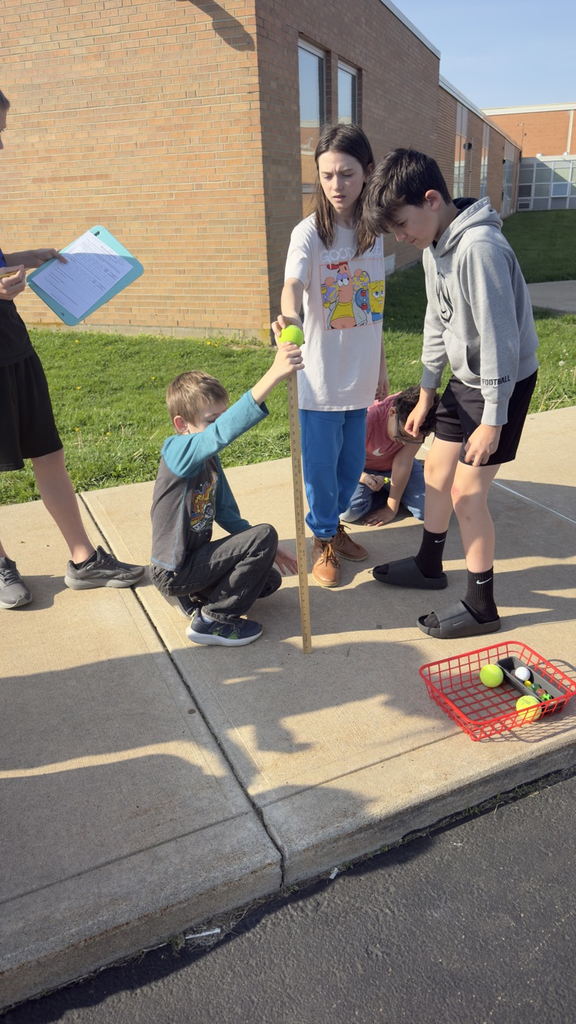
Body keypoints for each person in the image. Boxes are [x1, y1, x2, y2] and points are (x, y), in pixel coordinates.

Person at [361, 148, 539, 639]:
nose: (401, 237)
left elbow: (502, 341)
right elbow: (436, 324)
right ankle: (428, 565)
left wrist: (493, 420)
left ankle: (482, 606)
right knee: (437, 471)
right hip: (468, 376)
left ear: (432, 199)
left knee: (467, 493)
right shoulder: (433, 248)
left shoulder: (479, 248)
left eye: (402, 224)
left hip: (502, 382)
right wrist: (425, 392)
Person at [0, 88, 145, 610]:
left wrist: (25, 255)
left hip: (12, 346)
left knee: (49, 452)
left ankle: (84, 560)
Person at [272, 123, 388, 588]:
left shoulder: (375, 234)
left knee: (348, 469)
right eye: (326, 176)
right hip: (318, 379)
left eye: (345, 174)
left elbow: (374, 305)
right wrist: (289, 318)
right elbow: (293, 284)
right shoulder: (309, 234)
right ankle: (321, 537)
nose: (336, 186)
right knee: (321, 471)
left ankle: (333, 526)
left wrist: (380, 365)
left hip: (359, 375)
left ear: (367, 173)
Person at [148, 342, 304, 647]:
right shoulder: (176, 451)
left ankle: (192, 597)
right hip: (173, 569)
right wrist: (274, 374)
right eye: (211, 420)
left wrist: (270, 550)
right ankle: (212, 621)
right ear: (182, 424)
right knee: (264, 536)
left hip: (194, 564)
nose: (220, 426)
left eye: (224, 415)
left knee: (267, 580)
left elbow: (227, 513)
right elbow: (220, 435)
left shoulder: (210, 461)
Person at [340, 385, 438, 527]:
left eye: (414, 440)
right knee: (347, 513)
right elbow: (342, 460)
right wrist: (363, 477)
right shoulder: (366, 420)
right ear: (392, 412)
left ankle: (393, 492)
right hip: (360, 469)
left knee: (429, 510)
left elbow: (403, 462)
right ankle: (385, 493)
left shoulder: (418, 424)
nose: (405, 442)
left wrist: (391, 508)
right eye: (403, 435)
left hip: (395, 467)